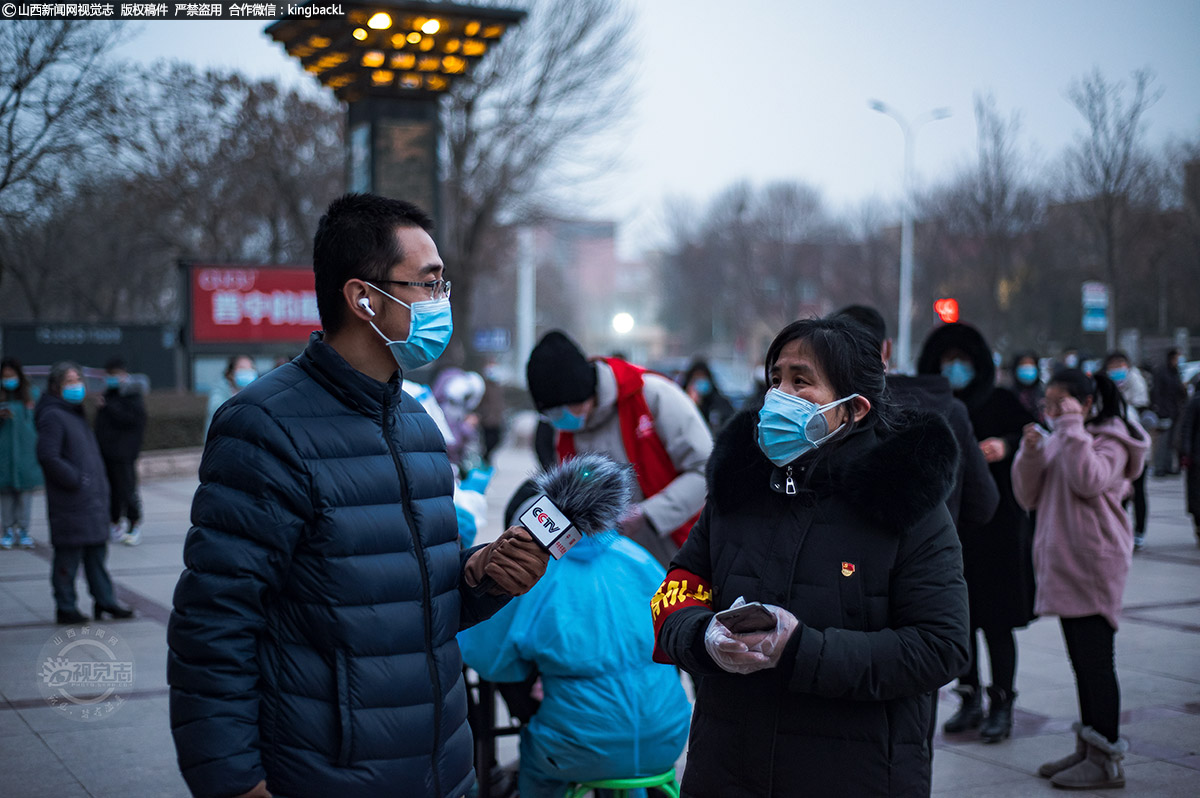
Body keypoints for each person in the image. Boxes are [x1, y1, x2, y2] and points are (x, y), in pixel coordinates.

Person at [168, 193, 550, 798]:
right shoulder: (266, 427)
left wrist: (484, 576)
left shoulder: (420, 426)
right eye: (426, 284)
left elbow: (420, 606)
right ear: (363, 297)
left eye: (442, 283)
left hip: (442, 768)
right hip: (330, 773)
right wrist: (234, 781)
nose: (440, 301)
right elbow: (215, 622)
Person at [652, 317, 969, 797]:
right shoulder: (738, 489)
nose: (779, 395)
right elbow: (677, 584)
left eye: (801, 381)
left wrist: (802, 650)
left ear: (855, 408)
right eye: (775, 380)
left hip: (853, 773)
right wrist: (702, 636)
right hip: (725, 769)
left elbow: (941, 647)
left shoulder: (905, 504)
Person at [458, 477, 692, 798]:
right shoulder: (638, 556)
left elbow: (492, 661)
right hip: (669, 736)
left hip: (581, 747)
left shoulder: (536, 573)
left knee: (543, 765)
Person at [1012, 369, 1148, 790]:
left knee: (1096, 663)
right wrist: (1031, 453)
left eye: (1059, 405)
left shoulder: (1111, 440)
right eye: (1047, 406)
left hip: (1094, 563)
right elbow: (1027, 495)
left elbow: (1089, 480)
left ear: (1087, 404)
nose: (1051, 413)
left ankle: (1106, 757)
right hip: (1065, 564)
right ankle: (1091, 746)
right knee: (1082, 663)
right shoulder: (1066, 436)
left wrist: (1069, 428)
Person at [917, 322, 1036, 744]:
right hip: (951, 531)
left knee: (998, 623)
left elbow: (1037, 436)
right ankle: (969, 699)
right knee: (960, 622)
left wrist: (1006, 444)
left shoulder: (1001, 400)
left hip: (1000, 530)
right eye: (948, 362)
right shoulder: (933, 405)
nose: (955, 370)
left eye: (963, 362)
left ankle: (1001, 703)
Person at [525, 331, 712, 569]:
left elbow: (706, 470)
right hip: (613, 567)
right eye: (550, 415)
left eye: (561, 411)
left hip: (676, 549)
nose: (557, 420)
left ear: (583, 393)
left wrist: (648, 514)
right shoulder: (565, 431)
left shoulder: (652, 395)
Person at [35, 362, 132, 624]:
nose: (76, 385)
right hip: (71, 501)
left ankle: (105, 601)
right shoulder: (53, 415)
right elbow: (48, 456)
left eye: (78, 379)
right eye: (69, 381)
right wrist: (76, 479)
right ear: (56, 386)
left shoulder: (73, 413)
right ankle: (65, 606)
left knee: (96, 556)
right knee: (68, 557)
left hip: (91, 500)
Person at [94, 358, 148, 546]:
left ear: (124, 375)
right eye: (109, 375)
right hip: (106, 452)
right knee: (111, 490)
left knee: (127, 489)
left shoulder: (132, 394)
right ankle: (114, 523)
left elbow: (132, 420)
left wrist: (108, 407)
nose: (111, 379)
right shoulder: (108, 394)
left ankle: (134, 523)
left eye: (115, 375)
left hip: (124, 453)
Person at [1102, 351, 1151, 549]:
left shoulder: (1138, 386)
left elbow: (1144, 411)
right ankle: (1118, 530)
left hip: (1137, 449)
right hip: (1115, 450)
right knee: (1117, 492)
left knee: (1138, 491)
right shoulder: (1103, 389)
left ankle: (1139, 531)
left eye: (1120, 365)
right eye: (1113, 365)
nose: (1117, 370)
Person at [1, 357, 43, 550]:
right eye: (5, 376)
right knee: (6, 498)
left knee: (25, 497)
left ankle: (24, 530)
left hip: (26, 457)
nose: (8, 379)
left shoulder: (31, 396)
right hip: (4, 459)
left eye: (11, 375)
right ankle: (8, 530)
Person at [1150, 348, 1187, 476]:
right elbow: (1157, 392)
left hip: (1175, 411)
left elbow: (1180, 393)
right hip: (1164, 411)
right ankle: (1160, 467)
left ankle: (1168, 466)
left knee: (1172, 442)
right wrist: (1159, 409)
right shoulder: (1161, 372)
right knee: (1163, 441)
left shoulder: (1176, 372)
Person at [203, 354, 256, 440]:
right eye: (242, 368)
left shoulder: (256, 391)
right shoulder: (220, 390)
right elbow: (217, 410)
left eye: (251, 368)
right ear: (231, 373)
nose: (247, 372)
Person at [680, 359, 735, 433]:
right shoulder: (682, 402)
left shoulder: (720, 403)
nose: (700, 381)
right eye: (696, 378)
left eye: (703, 377)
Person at [1180, 387, 1200, 546]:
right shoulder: (1195, 401)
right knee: (1196, 495)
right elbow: (1186, 428)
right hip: (1196, 458)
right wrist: (1186, 452)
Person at [1010, 351, 1044, 422]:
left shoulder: (1044, 394)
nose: (1027, 368)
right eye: (1023, 364)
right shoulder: (1008, 395)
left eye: (1031, 364)